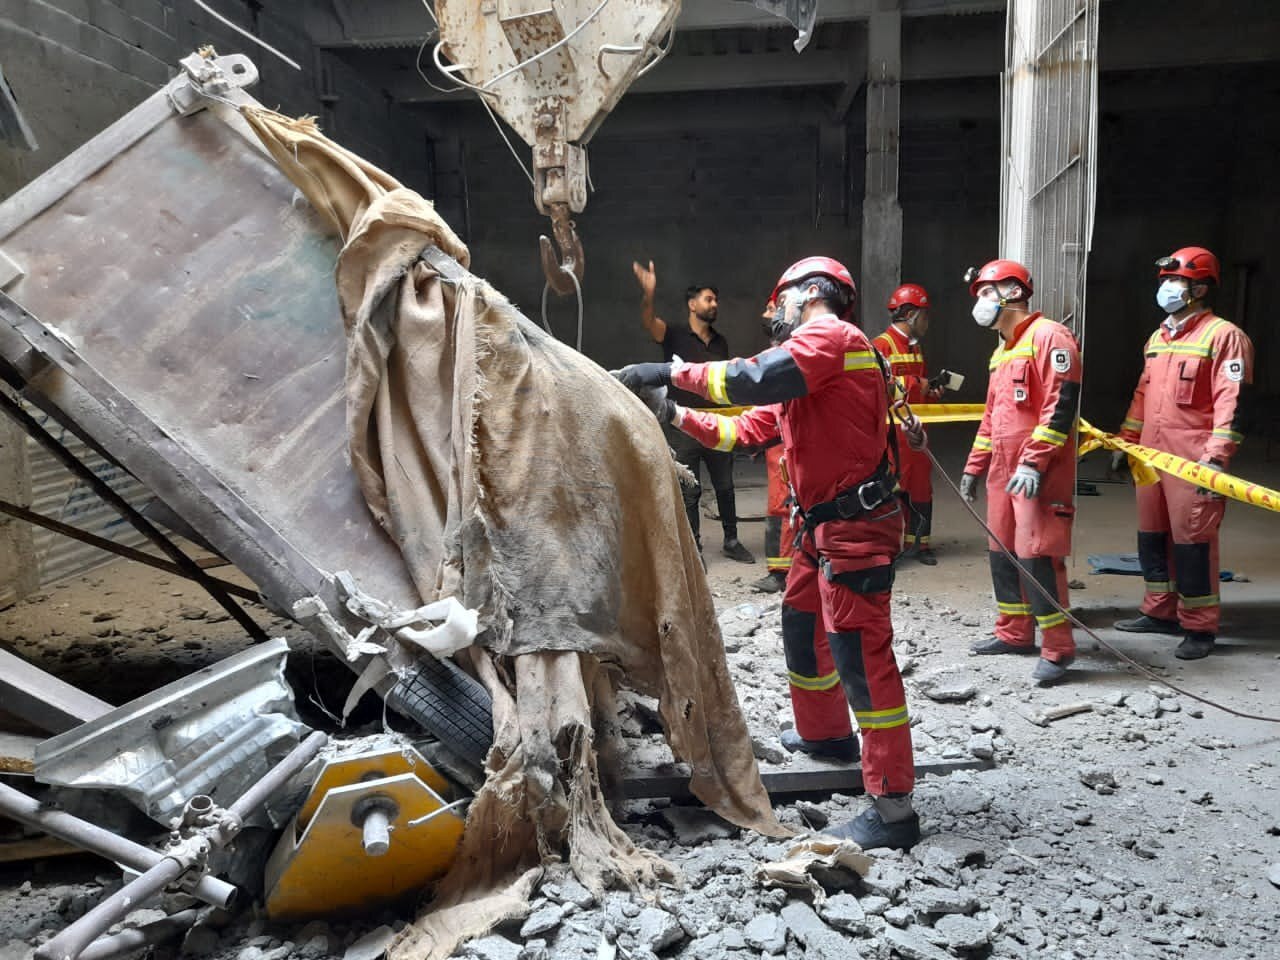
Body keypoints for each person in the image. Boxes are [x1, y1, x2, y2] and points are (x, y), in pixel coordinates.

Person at [616, 256, 921, 850]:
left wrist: (668, 373)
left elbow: (750, 380)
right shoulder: (815, 365)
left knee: (861, 656)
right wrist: (673, 414)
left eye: (776, 299)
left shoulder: (829, 337)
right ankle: (827, 737)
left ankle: (893, 809)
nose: (767, 312)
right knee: (802, 626)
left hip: (855, 528)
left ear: (808, 294)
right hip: (821, 528)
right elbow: (749, 427)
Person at [1111, 247, 1254, 660]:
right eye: (1166, 282)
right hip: (1151, 457)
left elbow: (1233, 402)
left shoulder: (1224, 336)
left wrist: (1217, 457)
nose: (1168, 289)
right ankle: (1159, 610)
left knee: (1193, 541)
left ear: (1201, 287)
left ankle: (1199, 626)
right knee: (1152, 536)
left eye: (1177, 282)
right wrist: (1126, 442)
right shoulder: (1158, 338)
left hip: (1194, 458)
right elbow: (1143, 394)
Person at [959, 259, 1081, 686]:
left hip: (1038, 471)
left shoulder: (1050, 337)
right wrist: (975, 467)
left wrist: (1034, 461)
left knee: (1038, 555)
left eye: (985, 292)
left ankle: (1058, 647)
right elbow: (993, 416)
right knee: (1002, 553)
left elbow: (1060, 407)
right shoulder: (1003, 348)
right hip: (1002, 471)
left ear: (1013, 292)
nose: (979, 302)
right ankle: (1014, 633)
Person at [632, 260, 754, 563]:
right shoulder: (673, 334)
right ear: (692, 304)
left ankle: (732, 540)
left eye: (715, 300)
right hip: (683, 425)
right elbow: (649, 322)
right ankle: (694, 548)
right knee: (690, 490)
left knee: (725, 486)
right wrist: (648, 294)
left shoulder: (720, 342)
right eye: (708, 299)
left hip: (717, 423)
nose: (715, 304)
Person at [872, 283, 955, 565]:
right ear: (909, 314)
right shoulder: (881, 345)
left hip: (917, 431)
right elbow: (881, 385)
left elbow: (917, 384)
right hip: (893, 433)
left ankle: (919, 544)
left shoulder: (914, 348)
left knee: (920, 488)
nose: (927, 320)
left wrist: (931, 389)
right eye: (924, 314)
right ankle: (887, 547)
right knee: (893, 488)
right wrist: (918, 385)